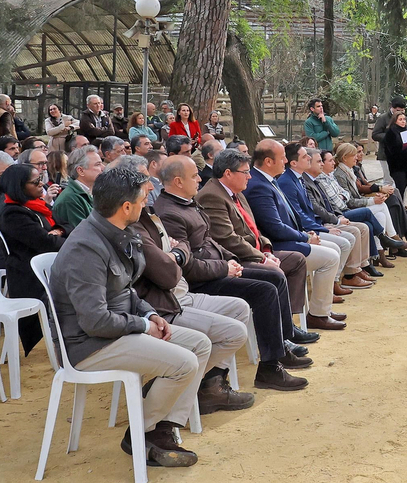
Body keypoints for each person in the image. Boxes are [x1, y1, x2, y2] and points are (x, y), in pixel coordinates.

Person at [49, 164, 212, 468]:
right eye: (141, 201)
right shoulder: (86, 247)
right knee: (184, 362)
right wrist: (143, 325)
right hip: (89, 345)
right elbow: (95, 321)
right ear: (126, 207)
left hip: (117, 330)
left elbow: (125, 290)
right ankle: (141, 432)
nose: (145, 205)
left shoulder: (115, 230)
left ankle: (161, 427)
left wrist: (149, 313)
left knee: (199, 345)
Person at [154, 156, 311, 390]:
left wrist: (231, 260)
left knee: (272, 278)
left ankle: (279, 348)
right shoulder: (170, 212)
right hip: (200, 281)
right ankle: (269, 367)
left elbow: (211, 242)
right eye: (195, 175)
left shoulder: (187, 202)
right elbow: (187, 266)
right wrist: (225, 267)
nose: (200, 178)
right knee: (265, 289)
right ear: (178, 181)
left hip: (217, 269)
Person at [131, 207, 256, 410]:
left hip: (182, 293)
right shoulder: (140, 222)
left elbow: (186, 246)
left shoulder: (152, 213)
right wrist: (178, 253)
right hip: (164, 302)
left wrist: (177, 253)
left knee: (239, 307)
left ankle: (210, 383)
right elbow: (168, 272)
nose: (199, 179)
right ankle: (168, 394)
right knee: (232, 331)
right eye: (193, 176)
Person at [196, 149, 314, 333]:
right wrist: (262, 258)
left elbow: (253, 228)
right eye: (245, 172)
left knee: (296, 260)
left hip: (254, 252)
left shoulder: (237, 191)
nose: (250, 177)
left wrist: (266, 250)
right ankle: (281, 332)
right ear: (228, 173)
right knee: (274, 273)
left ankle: (288, 322)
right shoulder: (211, 196)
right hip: (237, 258)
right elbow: (228, 239)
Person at [244, 140, 348, 331]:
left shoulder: (269, 179)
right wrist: (306, 238)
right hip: (278, 245)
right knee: (331, 257)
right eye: (282, 157)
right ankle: (318, 315)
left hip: (289, 238)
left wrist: (304, 233)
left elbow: (290, 217)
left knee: (333, 248)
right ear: (268, 161)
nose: (285, 160)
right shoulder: (259, 185)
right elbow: (274, 227)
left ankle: (321, 309)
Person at [0, 163, 66, 353]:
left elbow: (62, 226)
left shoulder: (34, 206)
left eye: (40, 180)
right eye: (35, 182)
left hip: (45, 266)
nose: (41, 184)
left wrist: (57, 233)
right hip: (29, 276)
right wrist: (56, 236)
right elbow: (45, 242)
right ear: (19, 186)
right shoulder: (13, 214)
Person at [277, 142, 365, 293]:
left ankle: (333, 284)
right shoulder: (287, 182)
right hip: (305, 231)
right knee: (343, 243)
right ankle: (331, 286)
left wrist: (324, 226)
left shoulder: (297, 178)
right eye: (306, 157)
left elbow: (309, 210)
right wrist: (320, 229)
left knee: (347, 238)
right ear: (294, 163)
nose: (310, 160)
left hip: (313, 226)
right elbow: (299, 215)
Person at [306, 148, 393, 271]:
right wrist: (337, 219)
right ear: (345, 157)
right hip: (339, 214)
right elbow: (335, 202)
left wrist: (343, 199)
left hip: (341, 212)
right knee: (370, 213)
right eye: (328, 161)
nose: (358, 156)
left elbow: (345, 195)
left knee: (371, 221)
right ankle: (384, 243)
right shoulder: (332, 175)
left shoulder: (333, 175)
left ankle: (366, 263)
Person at [52, 144, 102, 231]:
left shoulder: (93, 191)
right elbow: (84, 235)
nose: (103, 168)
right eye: (97, 165)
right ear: (81, 170)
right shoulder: (70, 199)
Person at [371, 96, 405, 163]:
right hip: (385, 155)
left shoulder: (404, 118)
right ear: (392, 107)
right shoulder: (383, 118)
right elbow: (375, 135)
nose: (400, 113)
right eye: (398, 110)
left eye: (402, 110)